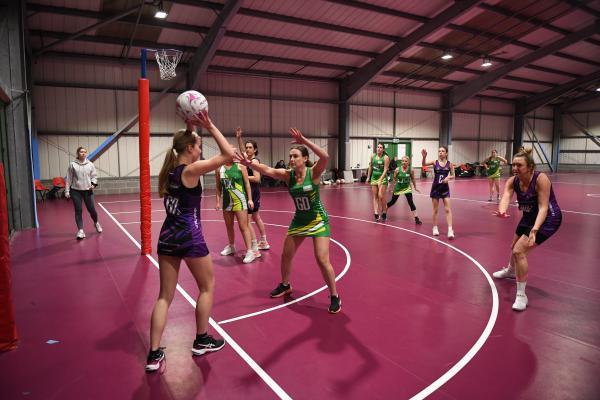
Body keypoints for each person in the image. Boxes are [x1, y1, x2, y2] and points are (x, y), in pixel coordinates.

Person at [146, 112, 233, 372]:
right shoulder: (192, 170)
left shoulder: (169, 171)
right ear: (190, 150)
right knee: (207, 287)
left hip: (168, 237)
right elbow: (228, 155)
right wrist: (210, 124)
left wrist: (191, 127)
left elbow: (186, 145)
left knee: (164, 297)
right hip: (190, 237)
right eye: (198, 146)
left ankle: (153, 355)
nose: (201, 150)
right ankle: (201, 339)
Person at [235, 127, 341, 314]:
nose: (291, 159)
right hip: (299, 221)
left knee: (322, 259)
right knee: (286, 255)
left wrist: (304, 140)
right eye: (290, 156)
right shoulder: (288, 175)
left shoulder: (313, 172)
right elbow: (267, 169)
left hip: (318, 220)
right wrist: (249, 163)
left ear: (305, 159)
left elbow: (325, 157)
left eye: (295, 156)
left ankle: (334, 296)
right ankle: (285, 284)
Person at [492, 148, 562, 311]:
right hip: (529, 215)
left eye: (519, 165)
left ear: (530, 167)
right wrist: (502, 211)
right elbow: (506, 198)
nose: (515, 168)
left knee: (519, 251)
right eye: (513, 165)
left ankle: (521, 296)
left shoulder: (540, 179)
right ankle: (510, 270)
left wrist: (535, 229)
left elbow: (544, 207)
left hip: (549, 218)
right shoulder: (513, 181)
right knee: (514, 245)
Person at [215, 151, 257, 264]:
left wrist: (250, 199)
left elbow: (247, 184)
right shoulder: (219, 169)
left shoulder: (240, 167)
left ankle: (250, 251)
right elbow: (218, 187)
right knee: (229, 226)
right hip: (227, 202)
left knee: (243, 226)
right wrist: (218, 202)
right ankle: (231, 246)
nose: (233, 155)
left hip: (240, 201)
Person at [235, 127, 270, 251]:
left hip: (253, 193)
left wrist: (243, 176)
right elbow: (242, 151)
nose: (247, 149)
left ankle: (254, 247)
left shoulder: (254, 161)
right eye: (247, 147)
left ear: (255, 150)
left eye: (250, 147)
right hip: (251, 192)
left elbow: (257, 178)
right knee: (256, 217)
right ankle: (264, 241)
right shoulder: (247, 160)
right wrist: (239, 138)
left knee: (247, 221)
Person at [64, 146, 102, 240]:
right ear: (78, 153)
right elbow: (68, 178)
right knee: (78, 210)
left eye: (85, 152)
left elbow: (94, 177)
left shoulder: (90, 164)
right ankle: (81, 231)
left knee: (92, 210)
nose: (83, 153)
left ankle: (96, 222)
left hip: (88, 191)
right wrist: (67, 191)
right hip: (75, 191)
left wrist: (93, 185)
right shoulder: (72, 164)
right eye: (81, 152)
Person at [422, 147, 455, 238]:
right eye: (439, 151)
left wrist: (448, 178)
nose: (440, 153)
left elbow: (453, 175)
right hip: (436, 188)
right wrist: (424, 157)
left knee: (448, 209)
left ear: (446, 153)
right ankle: (435, 227)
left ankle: (450, 229)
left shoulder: (450, 164)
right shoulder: (435, 162)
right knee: (435, 210)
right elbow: (424, 164)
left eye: (443, 151)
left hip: (445, 189)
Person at [386, 156, 422, 225]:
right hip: (398, 188)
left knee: (410, 202)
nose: (404, 162)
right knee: (392, 202)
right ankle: (384, 212)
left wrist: (415, 187)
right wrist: (393, 186)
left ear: (408, 162)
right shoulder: (397, 169)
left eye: (406, 161)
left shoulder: (411, 170)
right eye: (403, 161)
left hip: (407, 188)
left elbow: (413, 179)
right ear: (401, 162)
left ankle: (416, 218)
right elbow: (394, 179)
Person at [366, 143, 390, 222]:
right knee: (375, 196)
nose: (379, 149)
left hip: (382, 179)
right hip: (374, 178)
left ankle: (384, 211)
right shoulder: (373, 156)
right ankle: (376, 213)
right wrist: (368, 177)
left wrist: (380, 179)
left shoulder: (385, 157)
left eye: (381, 147)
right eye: (378, 147)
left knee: (381, 195)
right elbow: (370, 167)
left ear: (383, 149)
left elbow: (385, 169)